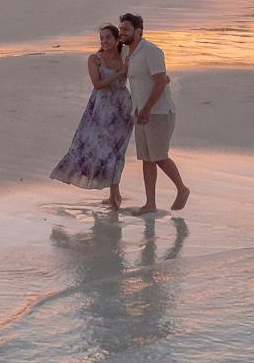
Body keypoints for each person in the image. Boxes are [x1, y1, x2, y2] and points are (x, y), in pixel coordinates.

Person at [48, 24, 134, 209]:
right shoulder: (95, 59)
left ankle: (114, 194)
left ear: (117, 39)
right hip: (101, 110)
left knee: (117, 152)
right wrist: (119, 74)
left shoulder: (126, 56)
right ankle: (110, 191)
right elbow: (97, 84)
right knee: (95, 147)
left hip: (122, 109)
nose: (104, 41)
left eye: (108, 38)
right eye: (102, 38)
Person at [117, 12, 190, 214]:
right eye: (121, 29)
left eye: (126, 29)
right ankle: (150, 203)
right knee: (146, 158)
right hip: (141, 112)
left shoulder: (151, 51)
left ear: (138, 32)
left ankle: (182, 189)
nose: (122, 32)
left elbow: (160, 80)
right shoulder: (128, 53)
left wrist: (148, 108)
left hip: (158, 111)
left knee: (159, 157)